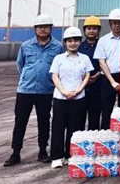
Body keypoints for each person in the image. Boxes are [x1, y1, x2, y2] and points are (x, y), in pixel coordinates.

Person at [4, 14, 64, 167]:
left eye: (45, 26)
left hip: (46, 91)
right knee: (20, 122)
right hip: (25, 90)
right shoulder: (26, 46)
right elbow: (20, 65)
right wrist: (27, 78)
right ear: (35, 29)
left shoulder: (58, 47)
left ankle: (42, 151)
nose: (42, 29)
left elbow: (60, 68)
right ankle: (16, 152)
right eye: (39, 27)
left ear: (51, 28)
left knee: (44, 121)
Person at [49, 27, 93, 169]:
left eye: (75, 41)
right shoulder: (58, 59)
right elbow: (55, 76)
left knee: (76, 127)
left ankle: (71, 155)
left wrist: (79, 90)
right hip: (60, 98)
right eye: (69, 41)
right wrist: (64, 92)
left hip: (79, 98)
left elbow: (87, 75)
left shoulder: (84, 58)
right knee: (58, 127)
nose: (73, 43)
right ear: (65, 43)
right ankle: (57, 157)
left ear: (80, 42)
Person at [94, 8, 120, 129]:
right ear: (110, 23)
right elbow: (102, 62)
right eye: (114, 23)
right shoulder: (103, 40)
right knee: (106, 109)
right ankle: (106, 134)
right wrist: (112, 81)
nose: (117, 25)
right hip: (107, 78)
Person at [78, 16, 103, 130]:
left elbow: (107, 62)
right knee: (79, 117)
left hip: (98, 87)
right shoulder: (79, 47)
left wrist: (98, 74)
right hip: (81, 87)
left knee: (95, 118)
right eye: (89, 28)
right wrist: (84, 77)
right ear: (84, 30)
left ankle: (93, 139)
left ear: (98, 30)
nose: (91, 31)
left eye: (94, 28)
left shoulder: (102, 45)